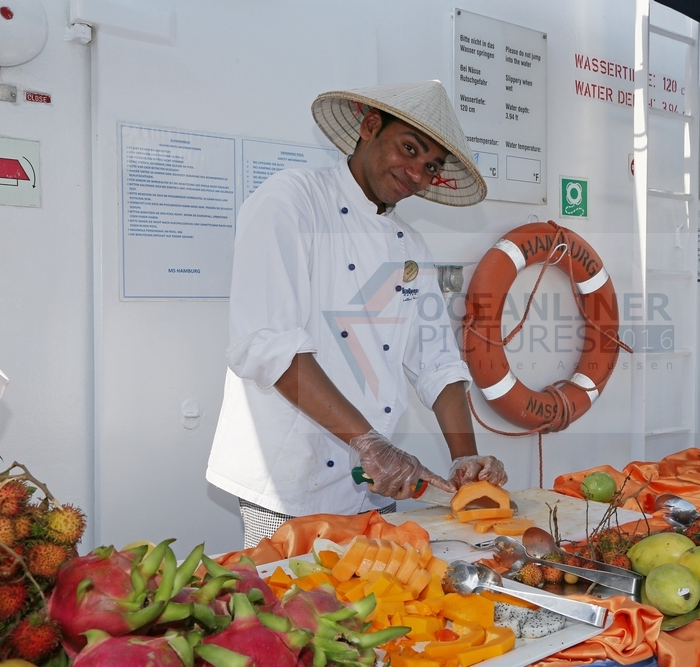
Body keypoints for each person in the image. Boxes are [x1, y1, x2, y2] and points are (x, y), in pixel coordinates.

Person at [207, 81, 507, 548]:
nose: (416, 172)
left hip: (372, 486)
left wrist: (466, 464)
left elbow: (439, 364)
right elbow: (269, 346)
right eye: (409, 148)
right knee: (288, 612)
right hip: (287, 482)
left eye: (430, 166)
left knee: (369, 608)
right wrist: (370, 444)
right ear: (370, 127)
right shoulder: (291, 201)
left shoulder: (410, 247)